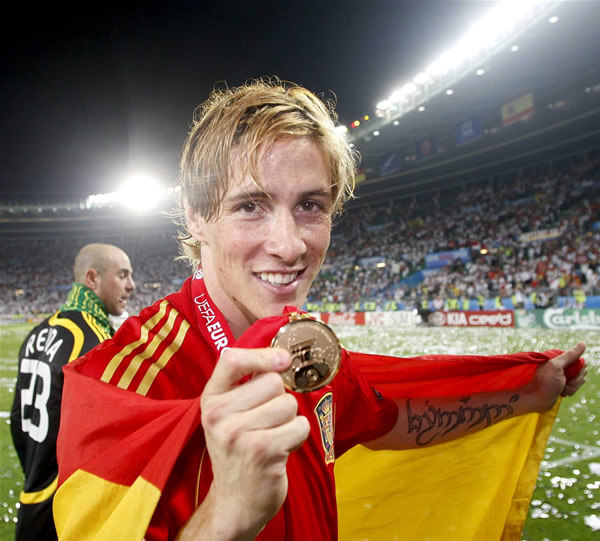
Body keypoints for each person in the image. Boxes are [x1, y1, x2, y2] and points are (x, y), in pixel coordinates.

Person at [53, 79, 587, 541]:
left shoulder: (306, 347)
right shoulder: (116, 390)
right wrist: (224, 518)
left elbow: (388, 418)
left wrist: (524, 393)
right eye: (250, 206)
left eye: (310, 205)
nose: (289, 246)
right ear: (196, 216)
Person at [10, 243, 135, 541]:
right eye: (122, 275)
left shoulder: (38, 332)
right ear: (92, 278)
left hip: (32, 504)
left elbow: (17, 421)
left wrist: (38, 471)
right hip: (68, 515)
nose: (132, 285)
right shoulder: (95, 342)